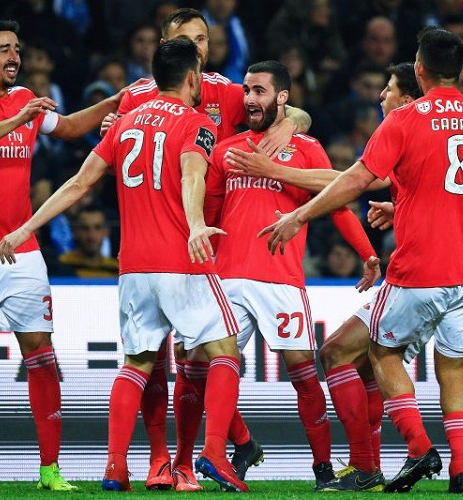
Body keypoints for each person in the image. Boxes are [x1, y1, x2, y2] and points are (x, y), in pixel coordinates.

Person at [259, 27, 463, 494]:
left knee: (380, 353)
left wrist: (299, 215)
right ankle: (462, 472)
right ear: (459, 69)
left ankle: (417, 447)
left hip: (418, 271)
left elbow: (356, 178)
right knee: (452, 369)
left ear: (419, 69)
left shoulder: (405, 119)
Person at [0, 37, 249, 493]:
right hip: (181, 260)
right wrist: (196, 224)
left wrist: (25, 228)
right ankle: (214, 453)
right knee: (225, 352)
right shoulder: (196, 122)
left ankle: (115, 466)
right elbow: (193, 174)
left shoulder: (126, 122)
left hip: (133, 267)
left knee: (136, 363)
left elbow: (78, 184)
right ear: (192, 78)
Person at [104, 7, 314, 491]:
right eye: (188, 39)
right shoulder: (138, 95)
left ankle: (179, 459)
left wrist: (290, 123)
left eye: (203, 39)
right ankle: (171, 457)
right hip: (170, 233)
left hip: (198, 239)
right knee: (179, 358)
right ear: (167, 47)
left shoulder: (222, 90)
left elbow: (290, 110)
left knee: (182, 358)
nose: (199, 47)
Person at [0, 19, 125, 491]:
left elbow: (70, 126)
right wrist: (17, 120)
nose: (14, 56)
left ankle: (49, 469)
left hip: (21, 246)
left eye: (17, 48)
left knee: (41, 353)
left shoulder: (25, 99)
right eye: (4, 49)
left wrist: (116, 102)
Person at [225, 61, 422, 492]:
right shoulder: (229, 148)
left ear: (282, 97)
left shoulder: (306, 148)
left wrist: (367, 253)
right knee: (203, 367)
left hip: (282, 281)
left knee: (305, 376)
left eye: (259, 91)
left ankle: (324, 470)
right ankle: (240, 446)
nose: (249, 98)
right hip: (227, 278)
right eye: (246, 91)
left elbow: (338, 201)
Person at [58, 204, 119, 278]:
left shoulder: (115, 269)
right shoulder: (61, 264)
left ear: (106, 231)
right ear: (75, 232)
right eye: (85, 228)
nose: (91, 235)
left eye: (97, 227)